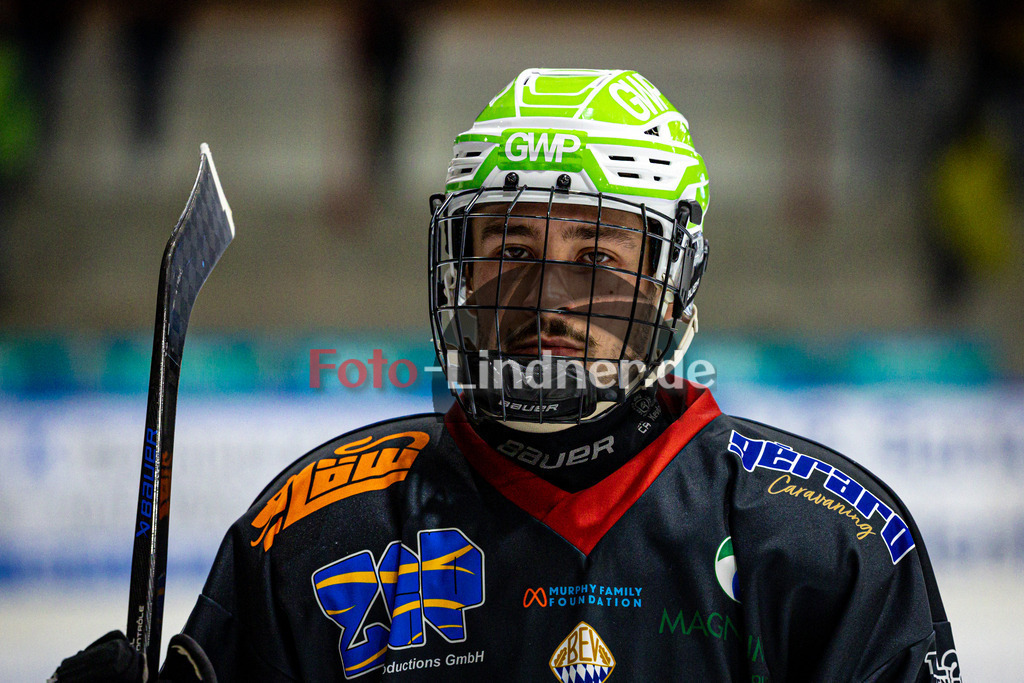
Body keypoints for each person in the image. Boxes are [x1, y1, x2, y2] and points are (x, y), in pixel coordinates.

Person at [54, 68, 959, 682]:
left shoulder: (825, 544)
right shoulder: (314, 530)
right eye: (512, 249)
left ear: (674, 283)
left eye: (596, 256)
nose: (547, 298)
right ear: (460, 267)